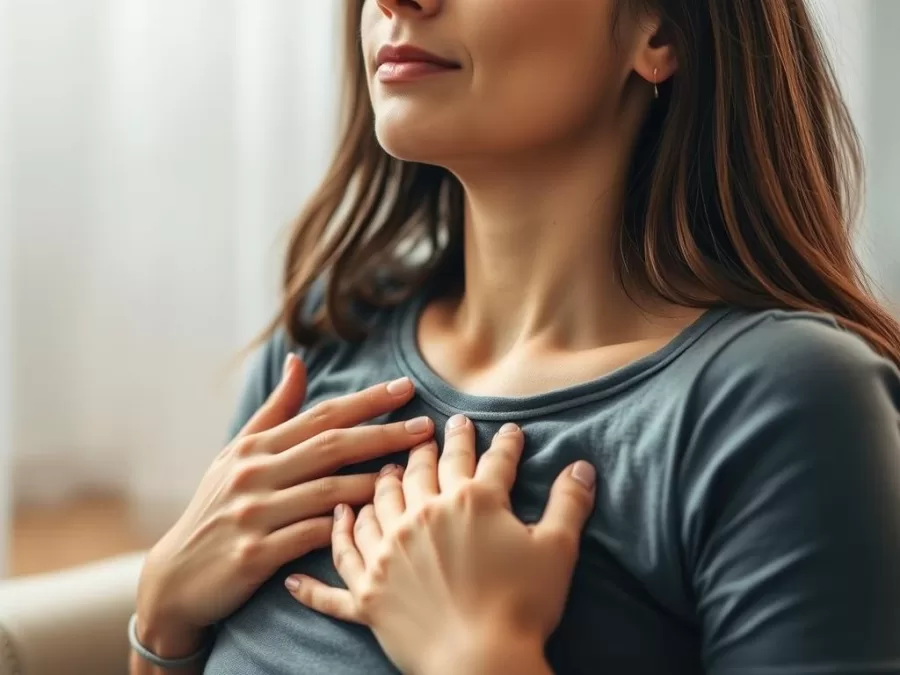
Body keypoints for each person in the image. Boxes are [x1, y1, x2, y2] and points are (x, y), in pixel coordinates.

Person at [130, 0, 900, 673]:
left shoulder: (789, 404)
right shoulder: (329, 333)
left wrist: (479, 654)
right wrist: (161, 617)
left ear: (661, 29)